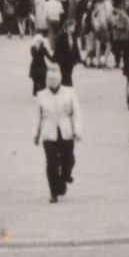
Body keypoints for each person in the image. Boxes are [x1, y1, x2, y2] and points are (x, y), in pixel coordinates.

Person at [33, 67, 82, 203]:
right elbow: (38, 116)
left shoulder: (69, 92)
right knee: (52, 163)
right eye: (49, 79)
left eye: (54, 79)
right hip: (49, 133)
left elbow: (76, 113)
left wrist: (77, 130)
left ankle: (65, 177)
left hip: (65, 131)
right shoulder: (41, 95)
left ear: (60, 79)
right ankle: (54, 192)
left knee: (69, 160)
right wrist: (35, 134)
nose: (52, 81)